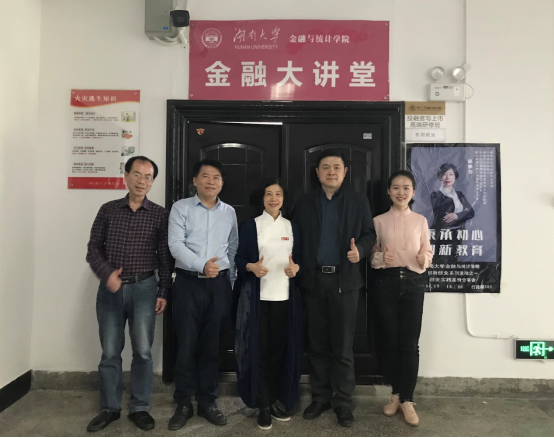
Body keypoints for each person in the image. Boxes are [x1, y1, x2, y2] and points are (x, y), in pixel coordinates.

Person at [86, 156, 173, 433]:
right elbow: (93, 248)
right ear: (125, 176)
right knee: (110, 352)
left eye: (148, 177)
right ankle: (110, 408)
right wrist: (107, 274)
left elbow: (165, 257)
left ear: (152, 182)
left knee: (143, 352)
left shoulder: (160, 214)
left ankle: (139, 407)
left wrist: (163, 291)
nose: (142, 181)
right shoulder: (108, 210)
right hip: (110, 290)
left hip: (145, 289)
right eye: (137, 174)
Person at [292, 149, 376, 428]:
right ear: (317, 173)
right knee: (317, 345)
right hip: (313, 281)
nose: (331, 172)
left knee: (342, 347)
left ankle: (343, 401)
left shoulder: (358, 201)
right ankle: (320, 397)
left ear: (345, 172)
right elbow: (294, 238)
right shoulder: (304, 203)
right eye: (325, 167)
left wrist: (360, 251)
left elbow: (369, 234)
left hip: (346, 282)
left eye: (336, 167)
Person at [167, 159, 239, 431]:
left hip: (219, 286)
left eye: (216, 177)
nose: (211, 181)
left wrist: (230, 282)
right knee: (186, 344)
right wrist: (202, 265)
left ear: (222, 183)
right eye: (205, 176)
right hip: (188, 283)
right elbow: (175, 245)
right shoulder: (181, 208)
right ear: (195, 180)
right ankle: (184, 402)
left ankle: (207, 401)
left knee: (212, 345)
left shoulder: (229, 212)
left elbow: (233, 248)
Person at [235, 179, 303, 431]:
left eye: (278, 194)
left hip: (285, 299)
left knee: (279, 351)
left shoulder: (291, 226)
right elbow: (238, 258)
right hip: (258, 300)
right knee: (259, 351)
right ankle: (262, 404)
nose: (273, 198)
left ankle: (275, 400)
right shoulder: (251, 226)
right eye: (268, 194)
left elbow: (300, 259)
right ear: (262, 199)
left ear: (284, 199)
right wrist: (251, 266)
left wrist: (296, 268)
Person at [371, 170, 433, 428]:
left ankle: (407, 399)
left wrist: (424, 258)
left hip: (413, 282)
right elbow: (372, 254)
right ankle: (395, 394)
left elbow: (428, 251)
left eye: (406, 187)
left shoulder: (420, 221)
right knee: (391, 341)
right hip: (386, 282)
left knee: (409, 343)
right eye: (395, 187)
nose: (401, 192)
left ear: (413, 192)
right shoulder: (378, 221)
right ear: (388, 191)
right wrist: (379, 258)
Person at [431, 163, 475, 263]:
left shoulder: (459, 194)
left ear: (455, 176)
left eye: (451, 174)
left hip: (458, 234)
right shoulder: (435, 195)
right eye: (444, 174)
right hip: (442, 234)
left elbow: (471, 212)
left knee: (454, 260)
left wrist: (457, 215)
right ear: (440, 176)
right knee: (440, 262)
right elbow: (443, 216)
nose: (447, 177)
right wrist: (463, 212)